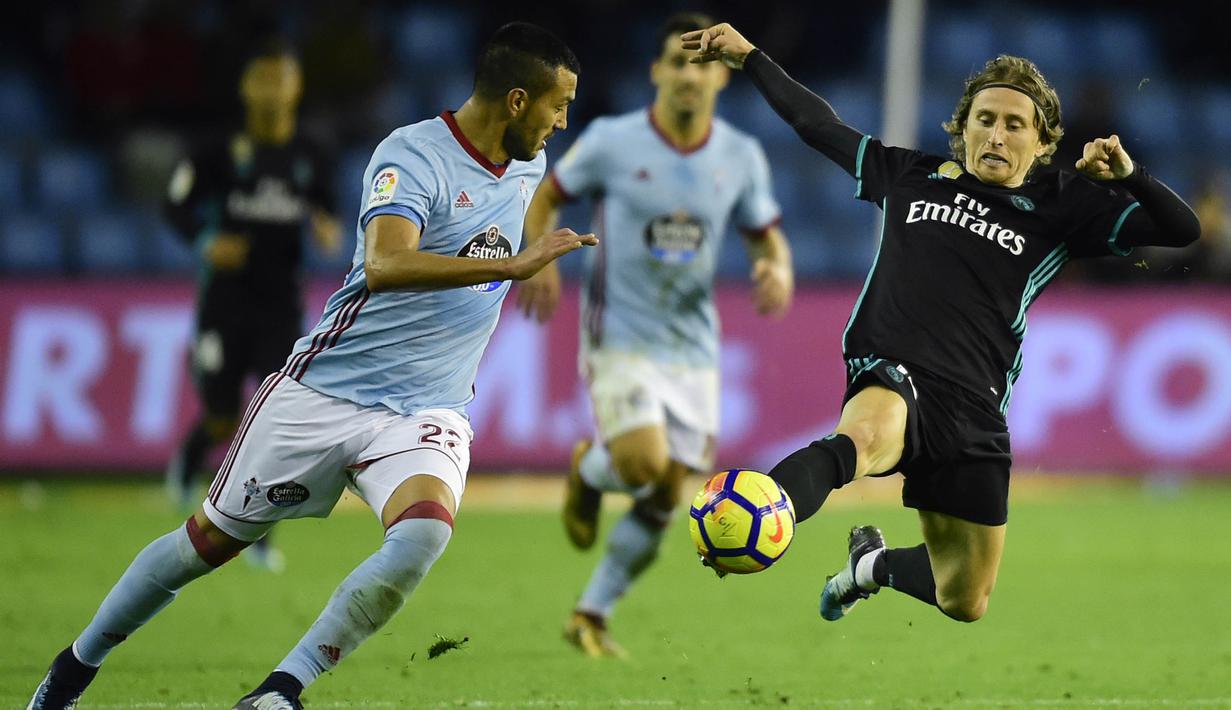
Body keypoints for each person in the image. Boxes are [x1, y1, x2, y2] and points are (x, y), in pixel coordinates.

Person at [28, 22, 592, 710]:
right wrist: (513, 264)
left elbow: (505, 218)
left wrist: (532, 259)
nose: (562, 121)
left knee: (422, 534)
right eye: (556, 105)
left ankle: (280, 691)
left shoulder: (527, 163)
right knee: (202, 545)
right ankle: (76, 665)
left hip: (427, 409)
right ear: (514, 100)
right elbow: (384, 265)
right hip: (325, 393)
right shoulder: (412, 155)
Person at [681, 23, 1199, 623]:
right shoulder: (909, 175)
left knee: (965, 599)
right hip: (893, 364)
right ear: (962, 127)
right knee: (864, 440)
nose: (996, 134)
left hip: (974, 405)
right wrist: (751, 58)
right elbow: (816, 125)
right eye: (984, 119)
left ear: (1041, 142)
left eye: (1014, 124)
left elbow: (1182, 231)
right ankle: (760, 508)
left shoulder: (1064, 205)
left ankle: (869, 565)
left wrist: (1130, 178)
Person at [518, 12, 793, 657]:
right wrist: (539, 255)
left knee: (674, 493)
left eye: (702, 63)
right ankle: (591, 471)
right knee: (643, 465)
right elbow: (547, 196)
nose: (689, 75)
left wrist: (775, 267)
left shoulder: (740, 156)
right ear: (657, 72)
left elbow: (765, 233)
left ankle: (591, 612)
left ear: (720, 78)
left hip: (694, 347)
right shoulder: (613, 141)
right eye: (677, 61)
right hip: (620, 335)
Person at [163, 38, 341, 572]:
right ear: (245, 87)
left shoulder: (312, 151)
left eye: (281, 78)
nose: (272, 89)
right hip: (225, 297)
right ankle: (190, 458)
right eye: (262, 78)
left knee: (270, 423)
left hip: (280, 303)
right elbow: (175, 204)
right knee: (223, 417)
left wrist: (326, 225)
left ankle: (257, 533)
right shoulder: (217, 150)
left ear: (297, 86)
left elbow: (327, 208)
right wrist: (203, 241)